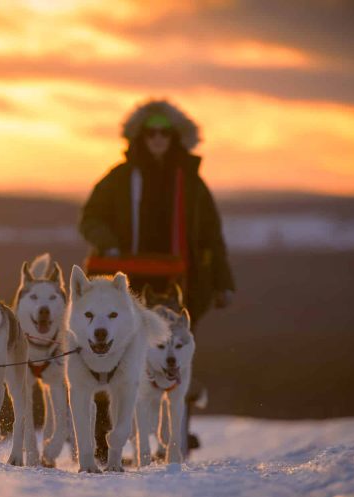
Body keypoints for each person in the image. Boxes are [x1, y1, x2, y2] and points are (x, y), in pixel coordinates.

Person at [78, 99, 235, 462]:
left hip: (184, 282)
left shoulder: (192, 183)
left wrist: (224, 282)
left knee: (174, 355)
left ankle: (174, 441)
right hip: (126, 285)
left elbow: (212, 236)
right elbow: (90, 217)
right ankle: (107, 444)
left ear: (177, 137)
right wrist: (109, 243)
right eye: (152, 132)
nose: (159, 138)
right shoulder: (119, 177)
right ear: (140, 136)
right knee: (112, 357)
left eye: (166, 132)